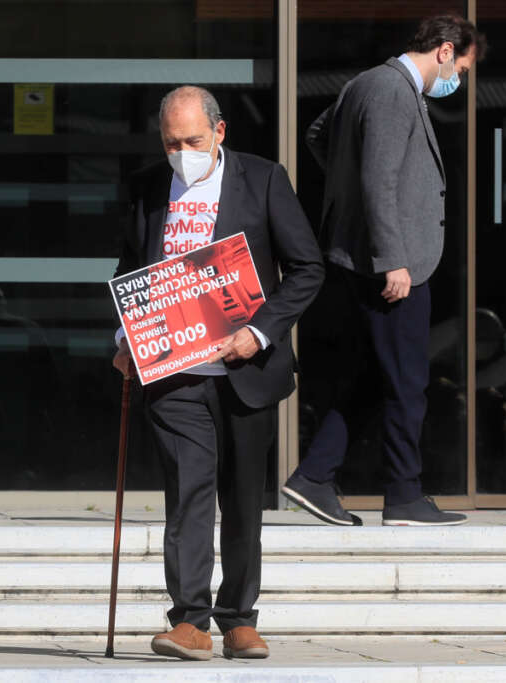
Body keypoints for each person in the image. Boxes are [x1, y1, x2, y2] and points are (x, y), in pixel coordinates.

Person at [112, 86, 323, 660]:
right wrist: (126, 338)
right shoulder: (147, 188)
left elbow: (307, 267)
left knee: (242, 498)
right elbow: (132, 271)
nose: (182, 152)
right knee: (188, 495)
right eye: (172, 142)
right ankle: (189, 620)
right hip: (174, 373)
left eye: (194, 141)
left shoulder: (263, 179)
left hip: (245, 370)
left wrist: (258, 332)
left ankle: (239, 618)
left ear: (220, 132)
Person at [282, 15, 485, 527]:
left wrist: (345, 192)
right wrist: (391, 255)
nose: (457, 78)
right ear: (444, 50)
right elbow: (377, 177)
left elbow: (317, 133)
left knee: (378, 375)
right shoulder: (394, 91)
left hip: (370, 255)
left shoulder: (364, 83)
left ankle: (314, 477)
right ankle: (403, 496)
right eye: (460, 66)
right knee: (408, 382)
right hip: (391, 264)